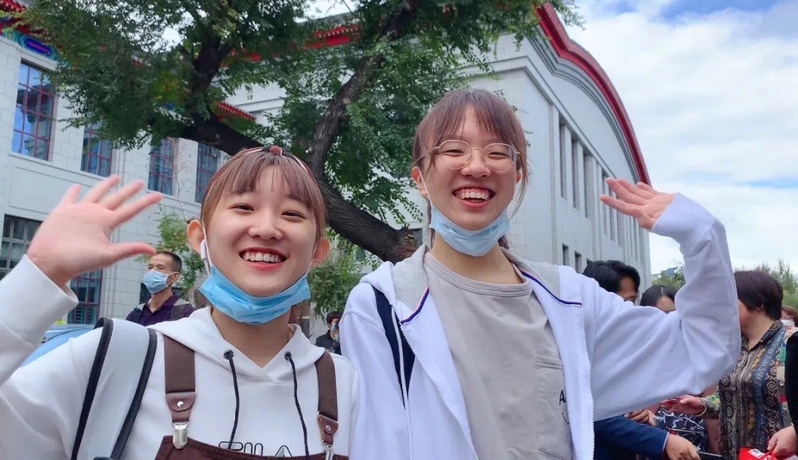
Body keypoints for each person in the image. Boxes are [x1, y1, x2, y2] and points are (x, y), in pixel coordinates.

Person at [340, 89, 739, 460]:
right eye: (454, 150)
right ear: (420, 180)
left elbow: (701, 348)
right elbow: (378, 446)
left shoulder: (571, 301)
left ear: (517, 174)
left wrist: (702, 236)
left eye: (497, 153)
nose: (476, 166)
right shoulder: (383, 305)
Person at [0, 147, 358, 459]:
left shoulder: (343, 384)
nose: (266, 228)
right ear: (199, 237)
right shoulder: (115, 360)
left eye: (292, 214)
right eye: (244, 207)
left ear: (318, 251)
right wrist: (39, 274)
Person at [663, 270, 796, 459]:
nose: (723, 308)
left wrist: (795, 431)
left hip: (779, 453)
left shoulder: (791, 342)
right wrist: (702, 405)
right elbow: (731, 396)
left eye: (729, 299)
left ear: (758, 303)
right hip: (734, 453)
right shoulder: (734, 346)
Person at [583, 263, 699, 460]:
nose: (631, 309)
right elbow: (593, 413)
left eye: (633, 301)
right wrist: (663, 441)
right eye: (625, 301)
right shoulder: (581, 348)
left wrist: (641, 415)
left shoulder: (626, 344)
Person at [127, 250, 194, 325]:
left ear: (174, 276)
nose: (152, 272)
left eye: (160, 268)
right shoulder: (137, 313)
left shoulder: (185, 311)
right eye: (150, 267)